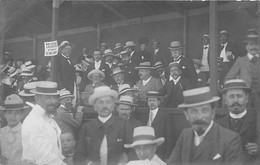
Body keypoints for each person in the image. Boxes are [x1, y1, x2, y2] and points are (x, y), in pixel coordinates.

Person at [167, 86, 244, 165]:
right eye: (194, 111)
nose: (200, 116)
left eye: (205, 111)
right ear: (186, 115)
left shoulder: (230, 139)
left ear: (213, 113)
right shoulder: (185, 135)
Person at [74, 86, 133, 165]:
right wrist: (88, 163)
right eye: (100, 102)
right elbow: (79, 154)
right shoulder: (87, 127)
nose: (105, 106)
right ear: (95, 107)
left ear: (113, 106)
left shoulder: (123, 124)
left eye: (108, 102)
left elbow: (132, 150)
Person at [22, 81, 66, 165]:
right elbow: (45, 159)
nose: (53, 101)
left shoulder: (48, 118)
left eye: (55, 97)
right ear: (37, 98)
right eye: (48, 97)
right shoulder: (34, 121)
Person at [217, 79, 257, 162]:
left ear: (246, 98)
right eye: (231, 96)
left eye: (239, 96)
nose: (235, 100)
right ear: (225, 100)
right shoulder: (218, 125)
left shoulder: (257, 122)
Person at [225, 29, 260, 108]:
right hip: (245, 98)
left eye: (256, 44)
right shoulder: (241, 61)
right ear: (246, 47)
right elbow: (228, 79)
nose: (253, 47)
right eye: (251, 44)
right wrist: (237, 91)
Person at [0, 94, 28, 165]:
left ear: (22, 115)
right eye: (10, 113)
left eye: (17, 113)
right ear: (4, 115)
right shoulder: (1, 132)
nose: (13, 116)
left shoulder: (27, 132)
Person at [142, 91, 168, 160]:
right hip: (146, 151)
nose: (152, 103)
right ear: (147, 102)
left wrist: (167, 155)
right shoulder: (144, 115)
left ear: (158, 102)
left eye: (154, 100)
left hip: (160, 151)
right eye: (150, 100)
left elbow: (169, 136)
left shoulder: (165, 116)